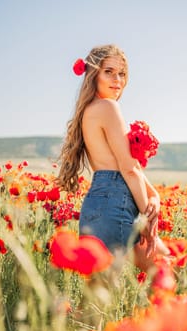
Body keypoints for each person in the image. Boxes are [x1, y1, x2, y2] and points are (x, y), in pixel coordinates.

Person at [57, 44, 169, 272]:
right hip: (113, 206)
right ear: (93, 74)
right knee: (168, 274)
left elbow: (125, 165)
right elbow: (128, 169)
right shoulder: (108, 107)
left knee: (96, 301)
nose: (117, 79)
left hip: (98, 207)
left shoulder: (90, 110)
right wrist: (148, 217)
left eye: (122, 74)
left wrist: (154, 195)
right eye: (109, 71)